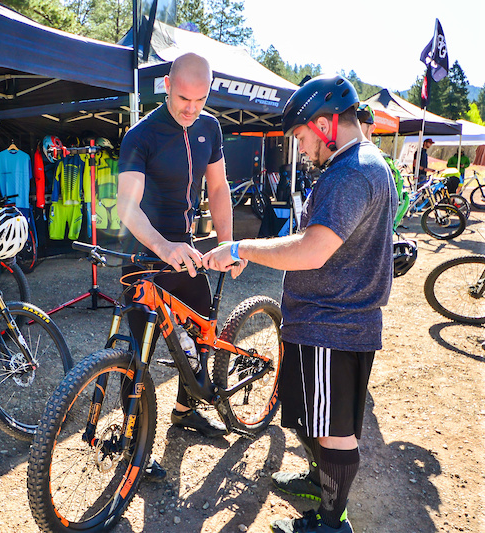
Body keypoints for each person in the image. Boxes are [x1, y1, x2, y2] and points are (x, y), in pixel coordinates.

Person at [204, 75, 397, 533]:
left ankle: (332, 523)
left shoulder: (351, 172)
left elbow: (313, 249)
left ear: (327, 124)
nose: (303, 149)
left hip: (333, 323)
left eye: (303, 137)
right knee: (315, 417)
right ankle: (317, 481)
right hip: (324, 320)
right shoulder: (362, 164)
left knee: (333, 430)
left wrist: (242, 249)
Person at [117, 52, 245, 481]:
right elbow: (128, 209)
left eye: (201, 99)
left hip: (185, 252)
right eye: (184, 97)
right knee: (137, 355)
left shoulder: (209, 127)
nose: (192, 108)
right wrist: (162, 245)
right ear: (167, 84)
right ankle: (134, 443)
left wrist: (228, 244)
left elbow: (219, 186)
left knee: (203, 326)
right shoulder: (142, 135)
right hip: (143, 252)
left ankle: (185, 410)